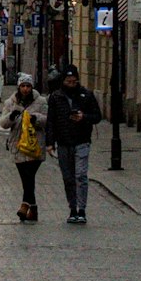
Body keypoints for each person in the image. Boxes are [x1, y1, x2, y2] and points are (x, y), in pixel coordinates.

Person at [45, 64, 102, 223]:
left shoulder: (86, 95)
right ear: (63, 81)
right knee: (68, 177)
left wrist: (83, 117)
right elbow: (51, 121)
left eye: (74, 81)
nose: (71, 84)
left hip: (82, 140)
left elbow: (97, 116)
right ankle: (72, 208)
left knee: (81, 175)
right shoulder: (56, 97)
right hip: (63, 142)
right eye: (69, 81)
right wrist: (50, 143)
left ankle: (82, 210)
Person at [0, 73, 47, 221]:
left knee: (29, 176)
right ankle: (33, 209)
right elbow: (3, 123)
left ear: (32, 87)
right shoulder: (10, 102)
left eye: (28, 86)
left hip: (35, 145)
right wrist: (11, 116)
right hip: (18, 145)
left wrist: (35, 118)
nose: (25, 89)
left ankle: (24, 205)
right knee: (26, 178)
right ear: (18, 87)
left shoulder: (41, 101)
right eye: (23, 86)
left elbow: (48, 119)